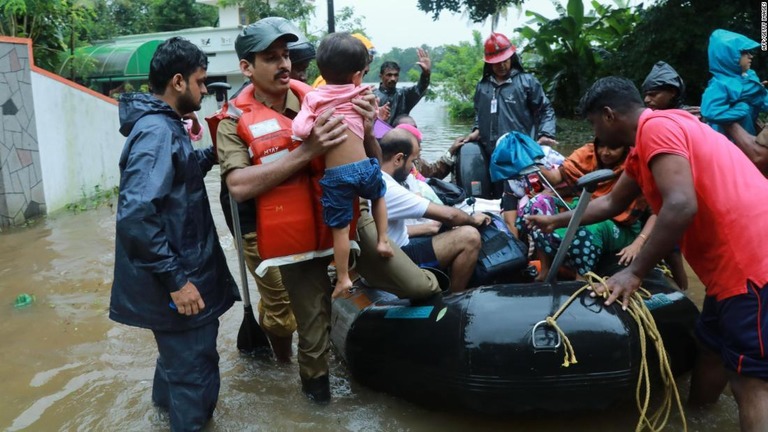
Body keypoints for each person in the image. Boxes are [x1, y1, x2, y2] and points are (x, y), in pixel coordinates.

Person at [214, 17, 442, 404]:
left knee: (418, 286)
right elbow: (237, 187)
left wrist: (368, 128)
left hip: (352, 219)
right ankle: (317, 408)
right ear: (246, 68)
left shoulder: (322, 95)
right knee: (313, 336)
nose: (284, 64)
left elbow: (373, 160)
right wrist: (309, 150)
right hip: (295, 240)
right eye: (271, 58)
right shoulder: (232, 121)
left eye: (286, 55)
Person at [527, 76, 768, 430]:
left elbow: (681, 204)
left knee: (752, 382)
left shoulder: (657, 128)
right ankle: (700, 419)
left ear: (609, 115)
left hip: (751, 264)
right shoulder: (654, 138)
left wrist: (634, 271)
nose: (595, 133)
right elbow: (610, 202)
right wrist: (555, 220)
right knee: (711, 348)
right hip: (727, 269)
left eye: (593, 123)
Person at [111, 37, 238, 431]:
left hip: (174, 277)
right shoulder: (157, 132)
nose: (204, 90)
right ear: (179, 81)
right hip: (180, 282)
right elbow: (136, 214)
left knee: (177, 364)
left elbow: (174, 180)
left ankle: (162, 417)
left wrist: (210, 156)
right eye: (201, 82)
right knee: (195, 372)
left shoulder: (165, 125)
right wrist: (177, 281)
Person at [293, 32, 393, 298]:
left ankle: (344, 278)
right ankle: (383, 240)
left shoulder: (314, 98)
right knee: (379, 195)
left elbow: (300, 129)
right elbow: (371, 120)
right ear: (358, 75)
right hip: (364, 166)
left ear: (322, 71)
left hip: (336, 175)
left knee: (341, 229)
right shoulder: (362, 94)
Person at [516, 139, 648, 281]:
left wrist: (638, 243)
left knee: (590, 227)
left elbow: (656, 212)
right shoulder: (587, 153)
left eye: (614, 147)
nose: (605, 152)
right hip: (584, 208)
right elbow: (554, 178)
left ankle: (581, 279)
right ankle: (545, 270)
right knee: (538, 203)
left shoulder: (637, 163)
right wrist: (530, 160)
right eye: (602, 146)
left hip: (619, 223)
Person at [379, 128, 490, 292]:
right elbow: (450, 215)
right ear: (398, 159)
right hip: (398, 258)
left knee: (450, 229)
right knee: (469, 236)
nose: (413, 169)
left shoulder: (378, 177)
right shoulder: (388, 188)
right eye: (412, 162)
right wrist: (473, 219)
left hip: (396, 248)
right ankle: (453, 298)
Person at [455, 32, 557, 200]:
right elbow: (479, 114)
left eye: (505, 60)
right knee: (497, 196)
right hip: (492, 153)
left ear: (512, 57)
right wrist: (476, 129)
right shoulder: (483, 87)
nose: (501, 65)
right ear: (489, 63)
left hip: (521, 154)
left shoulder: (527, 82)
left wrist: (546, 133)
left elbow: (546, 109)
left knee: (527, 196)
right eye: (496, 62)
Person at [701, 29, 768, 137]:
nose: (751, 56)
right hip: (726, 143)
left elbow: (760, 98)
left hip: (749, 138)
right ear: (729, 56)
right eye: (744, 53)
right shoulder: (719, 84)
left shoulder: (749, 76)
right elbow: (710, 112)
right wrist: (741, 109)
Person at [374, 51, 431, 125]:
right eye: (389, 75)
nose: (393, 79)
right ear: (381, 76)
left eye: (396, 75)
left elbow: (421, 88)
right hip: (379, 134)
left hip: (401, 134)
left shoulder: (404, 94)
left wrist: (426, 73)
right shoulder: (373, 96)